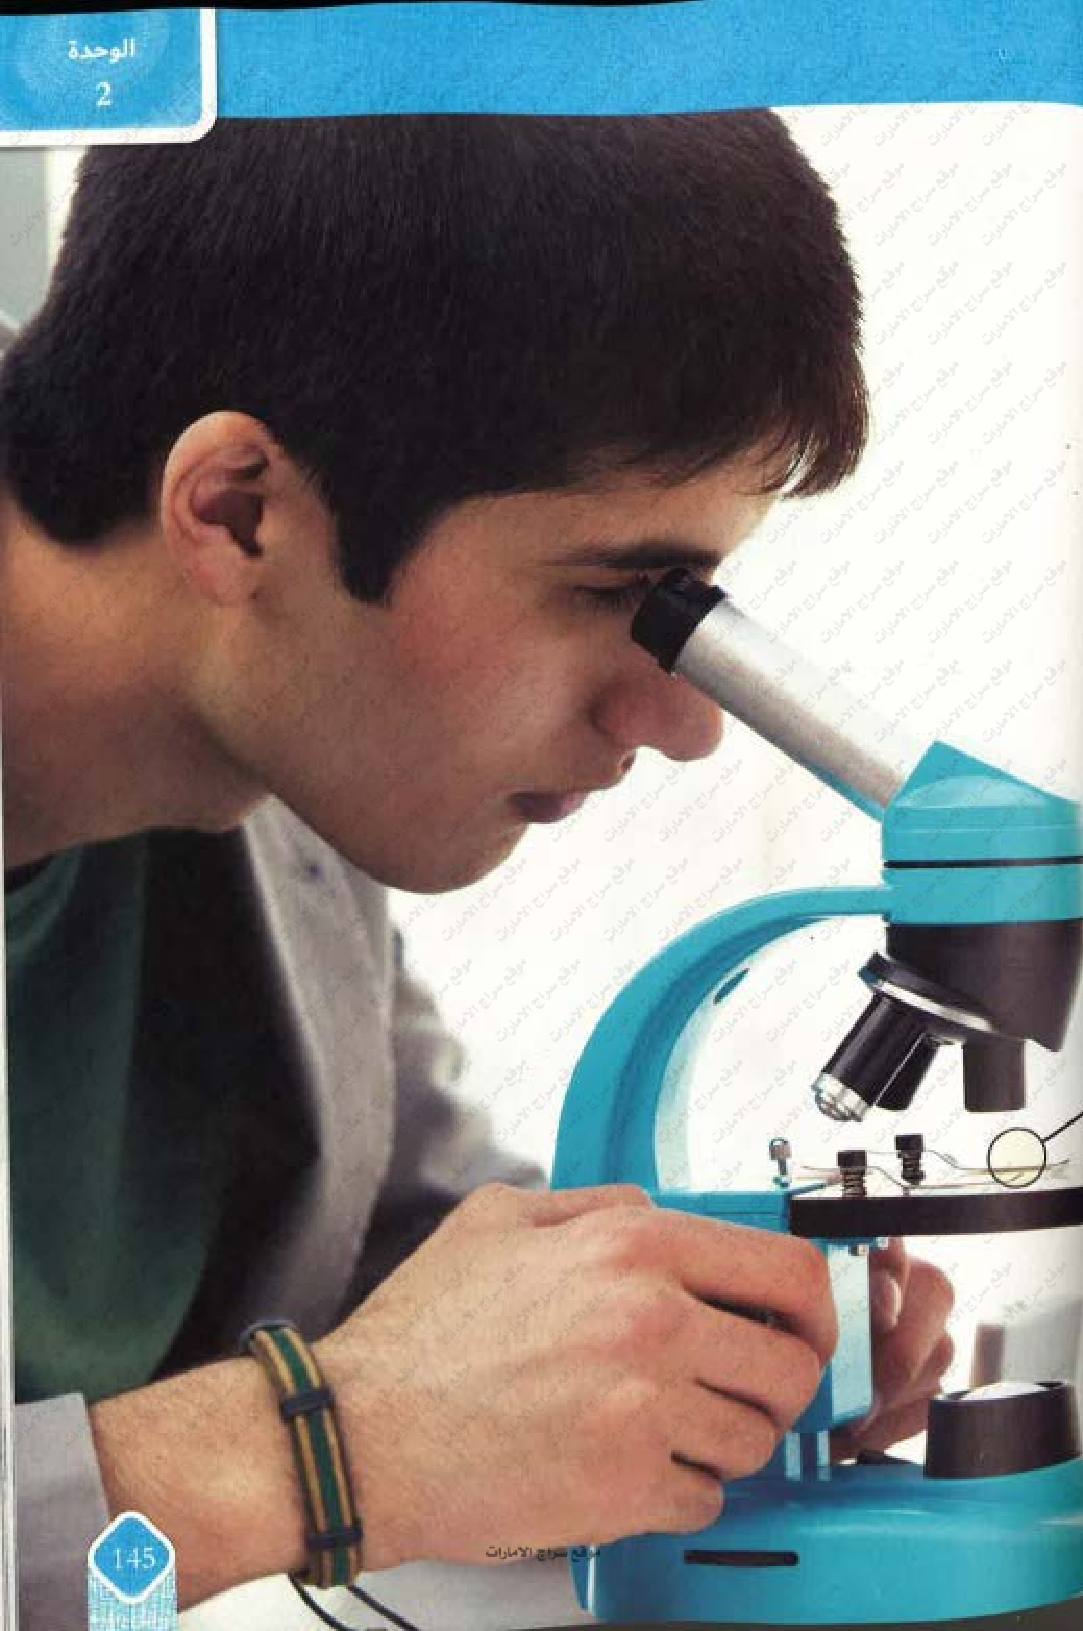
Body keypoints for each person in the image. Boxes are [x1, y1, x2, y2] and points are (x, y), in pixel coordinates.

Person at [0, 114, 953, 1625]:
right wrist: (320, 1448)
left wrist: (695, 1341)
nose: (684, 721)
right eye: (614, 590)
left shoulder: (283, 749)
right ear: (239, 511)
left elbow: (402, 1272)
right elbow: (374, 1399)